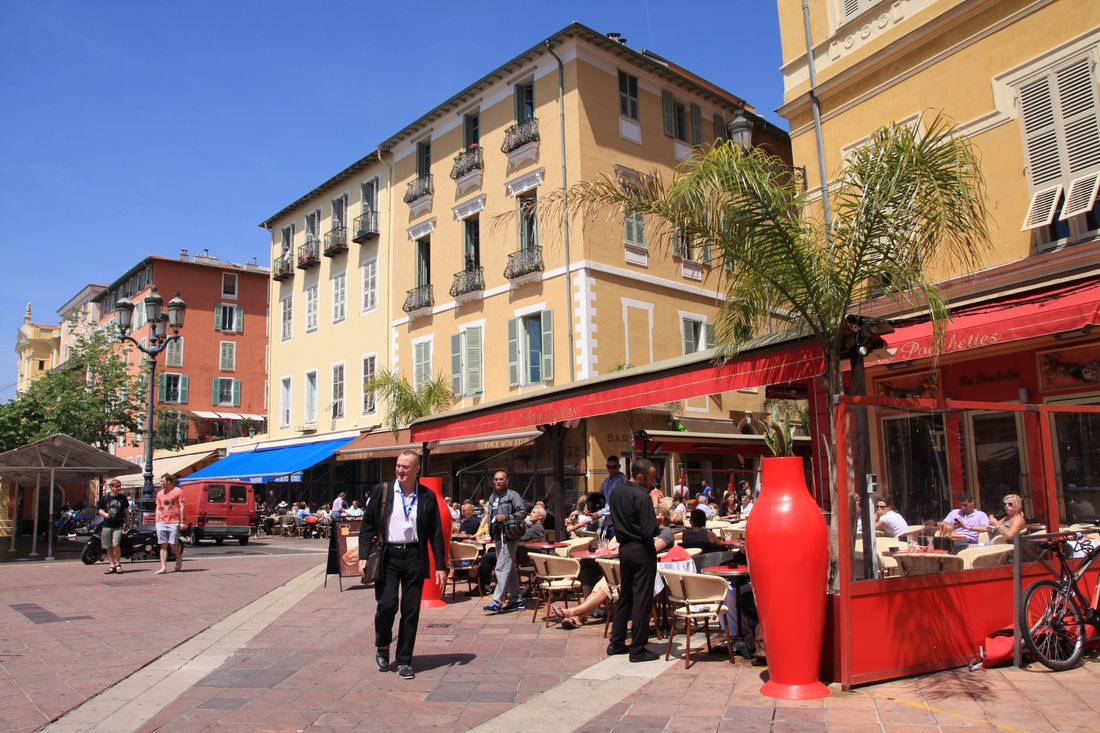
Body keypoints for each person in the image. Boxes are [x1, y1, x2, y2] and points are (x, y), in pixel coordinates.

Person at [357, 450, 445, 681]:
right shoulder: (383, 491)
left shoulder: (426, 496)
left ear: (417, 470)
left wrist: (441, 566)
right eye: (398, 465)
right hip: (389, 555)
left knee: (411, 610)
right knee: (386, 605)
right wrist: (364, 555)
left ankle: (405, 660)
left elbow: (436, 533)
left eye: (406, 466)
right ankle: (383, 647)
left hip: (415, 555)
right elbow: (367, 524)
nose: (400, 470)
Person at [607, 458, 661, 663]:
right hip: (641, 550)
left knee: (625, 596)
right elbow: (649, 530)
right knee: (641, 600)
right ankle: (638, 648)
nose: (653, 481)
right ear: (640, 476)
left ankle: (617, 642)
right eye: (652, 477)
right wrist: (657, 525)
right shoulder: (643, 496)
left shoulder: (616, 493)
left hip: (625, 549)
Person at [484, 470, 527, 614]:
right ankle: (516, 600)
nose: (498, 481)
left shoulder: (513, 495)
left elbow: (522, 513)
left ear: (507, 481)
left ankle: (497, 601)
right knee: (510, 569)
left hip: (509, 536)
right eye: (496, 479)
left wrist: (507, 516)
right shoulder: (492, 497)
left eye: (501, 479)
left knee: (501, 568)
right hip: (497, 536)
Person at [96, 479, 130, 574]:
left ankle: (118, 564)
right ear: (112, 487)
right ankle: (111, 565)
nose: (119, 488)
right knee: (108, 546)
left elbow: (126, 512)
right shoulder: (105, 498)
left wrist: (127, 524)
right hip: (107, 525)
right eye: (117, 486)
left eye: (120, 486)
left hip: (118, 525)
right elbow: (99, 510)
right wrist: (105, 514)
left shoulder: (122, 498)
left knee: (116, 544)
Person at [154, 473, 185, 575]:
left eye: (162, 480)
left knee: (173, 544)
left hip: (174, 522)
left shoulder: (178, 491)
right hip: (162, 522)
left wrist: (182, 521)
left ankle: (178, 558)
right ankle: (163, 567)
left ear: (169, 481)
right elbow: (158, 508)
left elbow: (181, 506)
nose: (160, 482)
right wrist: (157, 521)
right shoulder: (159, 493)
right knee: (163, 545)